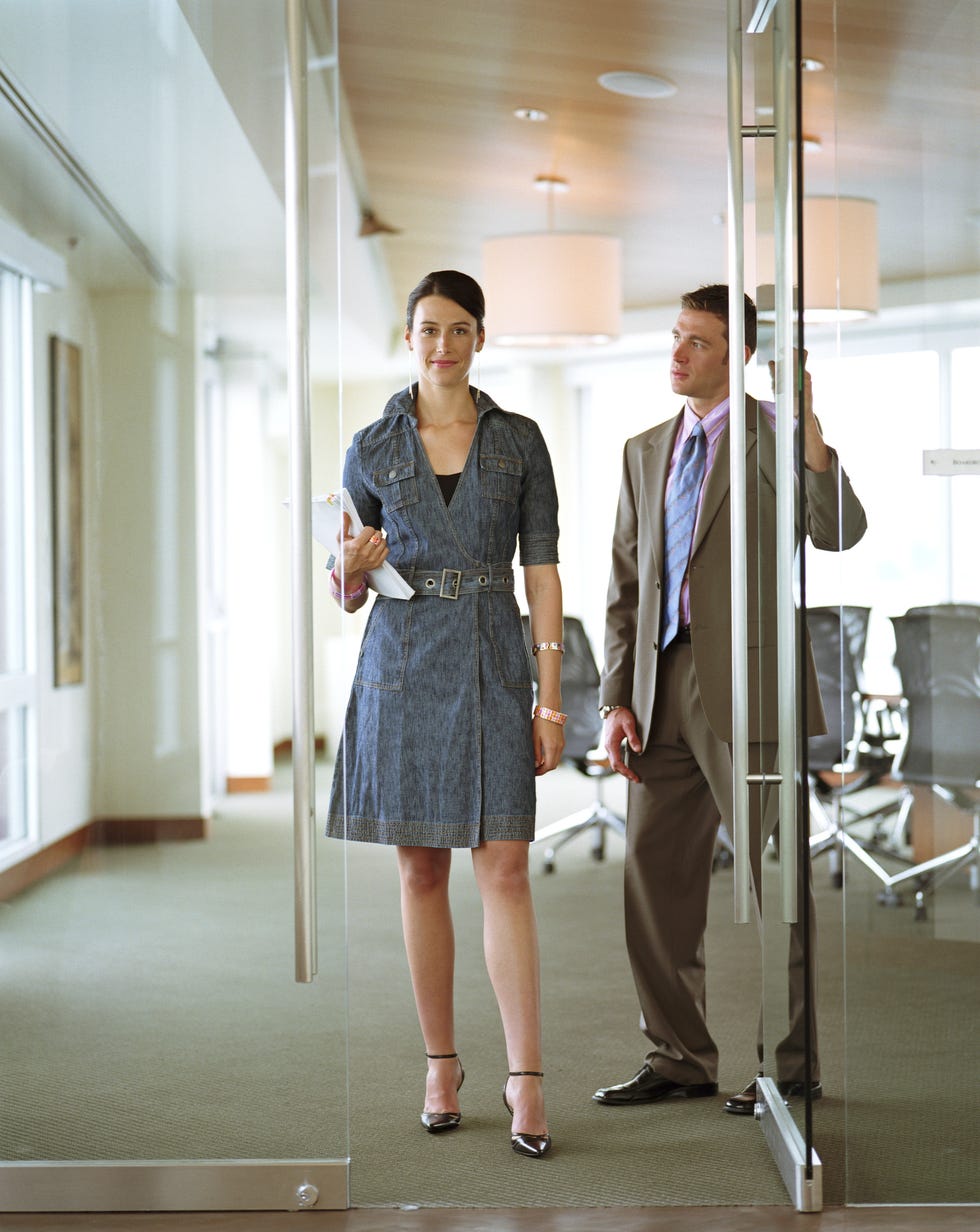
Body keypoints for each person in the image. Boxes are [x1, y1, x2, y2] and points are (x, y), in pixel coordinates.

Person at [593, 283, 867, 1115]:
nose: (677, 355)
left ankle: (790, 1068)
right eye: (675, 337)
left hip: (749, 687)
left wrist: (809, 429)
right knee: (653, 877)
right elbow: (626, 583)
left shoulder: (774, 435)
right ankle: (677, 1056)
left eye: (699, 343)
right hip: (657, 688)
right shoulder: (645, 449)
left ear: (739, 354)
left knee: (773, 887)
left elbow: (840, 530)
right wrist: (616, 697)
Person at [325, 270, 564, 1158]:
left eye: (460, 329)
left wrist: (551, 698)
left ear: (479, 337)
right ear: (408, 336)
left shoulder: (520, 442)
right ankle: (440, 1062)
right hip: (403, 659)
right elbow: (345, 591)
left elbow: (541, 573)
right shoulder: (371, 446)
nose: (444, 345)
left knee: (503, 867)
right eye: (429, 328)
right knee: (420, 870)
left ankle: (526, 1074)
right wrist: (355, 560)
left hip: (496, 655)